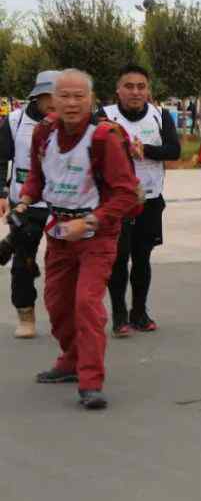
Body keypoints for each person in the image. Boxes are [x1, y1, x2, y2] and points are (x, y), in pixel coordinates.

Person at [17, 69, 141, 410]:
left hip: (96, 235)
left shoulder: (104, 138)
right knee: (57, 303)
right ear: (51, 101)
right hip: (58, 233)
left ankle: (90, 381)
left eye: (79, 97)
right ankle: (70, 361)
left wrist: (91, 220)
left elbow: (126, 194)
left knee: (86, 303)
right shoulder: (43, 133)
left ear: (91, 99)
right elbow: (37, 178)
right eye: (64, 96)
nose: (71, 103)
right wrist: (25, 200)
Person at [100, 65, 180, 336]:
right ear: (118, 90)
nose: (135, 92)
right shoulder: (104, 117)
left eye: (141, 86)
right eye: (129, 86)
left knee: (142, 258)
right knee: (118, 259)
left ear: (148, 90)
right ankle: (119, 315)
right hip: (115, 203)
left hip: (150, 199)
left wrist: (144, 150)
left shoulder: (160, 115)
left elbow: (174, 150)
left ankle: (139, 312)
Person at [0, 71, 60, 338]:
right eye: (50, 95)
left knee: (64, 264)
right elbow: (1, 158)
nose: (55, 101)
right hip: (25, 202)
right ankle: (25, 315)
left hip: (62, 203)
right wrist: (2, 193)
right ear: (38, 95)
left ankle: (66, 316)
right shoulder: (15, 121)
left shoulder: (71, 122)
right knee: (23, 262)